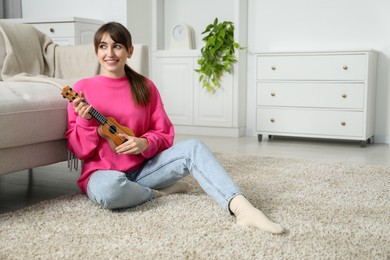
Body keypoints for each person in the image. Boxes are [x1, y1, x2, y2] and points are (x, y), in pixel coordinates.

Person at [65, 21, 284, 235]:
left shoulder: (145, 86)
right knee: (110, 191)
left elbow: (164, 134)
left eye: (117, 46)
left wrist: (144, 142)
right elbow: (79, 150)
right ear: (96, 52)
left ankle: (242, 208)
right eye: (103, 46)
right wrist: (84, 121)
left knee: (194, 147)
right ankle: (155, 193)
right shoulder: (82, 89)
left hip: (144, 170)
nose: (110, 53)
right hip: (103, 175)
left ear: (130, 51)